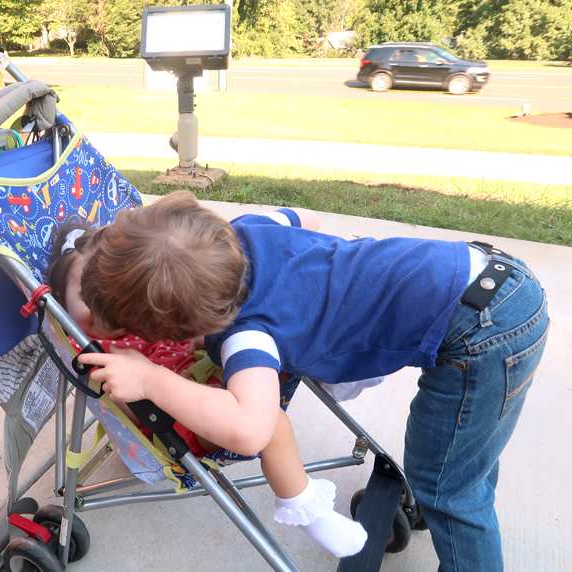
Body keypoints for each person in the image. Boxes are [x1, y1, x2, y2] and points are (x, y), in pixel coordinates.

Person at [76, 191, 550, 572]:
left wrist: (152, 376)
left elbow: (250, 430)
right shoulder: (247, 233)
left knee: (449, 485)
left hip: (483, 333)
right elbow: (306, 219)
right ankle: (448, 496)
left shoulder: (249, 336)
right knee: (462, 458)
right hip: (490, 277)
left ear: (181, 328)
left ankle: (452, 514)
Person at [47, 221, 368, 558]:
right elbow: (126, 403)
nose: (102, 306)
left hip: (199, 372)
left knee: (276, 336)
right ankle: (306, 509)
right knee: (271, 423)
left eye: (109, 292)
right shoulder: (89, 349)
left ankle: (344, 365)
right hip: (175, 418)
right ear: (58, 302)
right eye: (86, 295)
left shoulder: (131, 308)